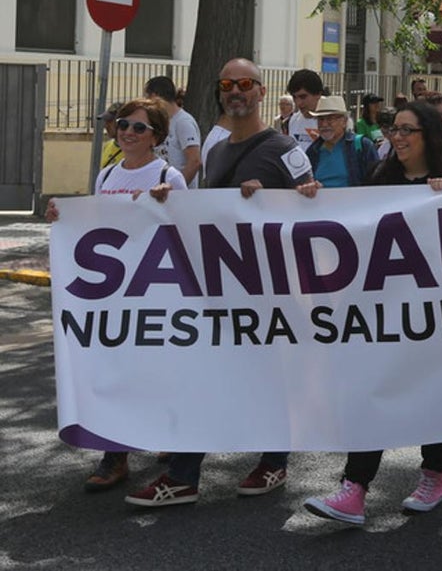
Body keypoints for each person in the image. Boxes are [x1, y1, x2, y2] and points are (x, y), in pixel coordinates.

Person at [124, 58, 313, 508]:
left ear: (262, 92)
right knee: (204, 376)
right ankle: (184, 476)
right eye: (227, 83)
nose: (236, 90)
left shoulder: (287, 148)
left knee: (271, 378)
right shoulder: (217, 149)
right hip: (220, 285)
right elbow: (206, 213)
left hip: (269, 287)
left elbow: (314, 206)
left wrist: (287, 196)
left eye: (246, 83)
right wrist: (172, 201)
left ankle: (274, 460)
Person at [303, 101, 442, 526]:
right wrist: (310, 200)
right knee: (372, 390)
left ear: (429, 136)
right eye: (393, 129)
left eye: (406, 131)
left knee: (434, 392)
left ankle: (434, 475)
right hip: (385, 311)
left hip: (436, 314)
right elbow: (351, 228)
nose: (396, 138)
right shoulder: (382, 179)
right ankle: (354, 489)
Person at [45, 97, 189, 493]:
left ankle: (170, 437)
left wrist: (171, 203)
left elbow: (187, 230)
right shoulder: (106, 176)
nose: (127, 132)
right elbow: (93, 226)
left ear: (156, 137)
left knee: (157, 369)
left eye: (139, 128)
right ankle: (115, 454)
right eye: (124, 124)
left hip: (154, 290)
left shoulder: (168, 175)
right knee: (115, 371)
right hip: (112, 294)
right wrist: (63, 218)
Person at [303, 96, 380, 187]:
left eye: (330, 119)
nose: (324, 124)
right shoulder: (313, 151)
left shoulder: (363, 146)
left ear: (344, 121)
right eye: (321, 119)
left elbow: (377, 182)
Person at [145, 75, 202, 187]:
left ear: (154, 96)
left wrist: (175, 188)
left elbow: (194, 161)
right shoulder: (163, 122)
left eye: (147, 97)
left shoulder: (183, 122)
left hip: (179, 198)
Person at [286, 68, 323, 150]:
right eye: (294, 97)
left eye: (303, 97)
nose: (298, 103)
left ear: (318, 94)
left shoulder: (333, 122)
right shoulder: (292, 120)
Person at [96, 102, 124, 169]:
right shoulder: (107, 146)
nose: (106, 125)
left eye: (110, 121)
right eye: (105, 121)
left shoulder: (133, 150)